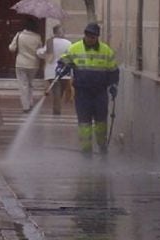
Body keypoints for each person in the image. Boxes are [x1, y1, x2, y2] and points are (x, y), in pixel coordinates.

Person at [59, 22, 119, 154]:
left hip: (100, 92)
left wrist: (113, 85)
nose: (90, 39)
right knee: (84, 122)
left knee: (101, 122)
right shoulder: (74, 48)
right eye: (88, 36)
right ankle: (86, 149)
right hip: (82, 92)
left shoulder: (106, 50)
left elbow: (113, 70)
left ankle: (102, 145)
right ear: (85, 35)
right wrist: (61, 68)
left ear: (97, 37)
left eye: (93, 36)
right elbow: (64, 61)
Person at [37, 25, 72, 116]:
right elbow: (71, 55)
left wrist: (39, 50)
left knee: (57, 89)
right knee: (60, 90)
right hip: (64, 70)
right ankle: (57, 109)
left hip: (51, 70)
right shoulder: (68, 43)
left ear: (54, 32)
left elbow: (42, 53)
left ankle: (57, 108)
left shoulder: (50, 42)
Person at [8, 17, 43, 112]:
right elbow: (40, 50)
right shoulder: (37, 37)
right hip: (34, 64)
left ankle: (25, 106)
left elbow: (12, 48)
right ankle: (30, 102)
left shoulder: (19, 35)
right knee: (30, 84)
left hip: (21, 63)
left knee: (23, 85)